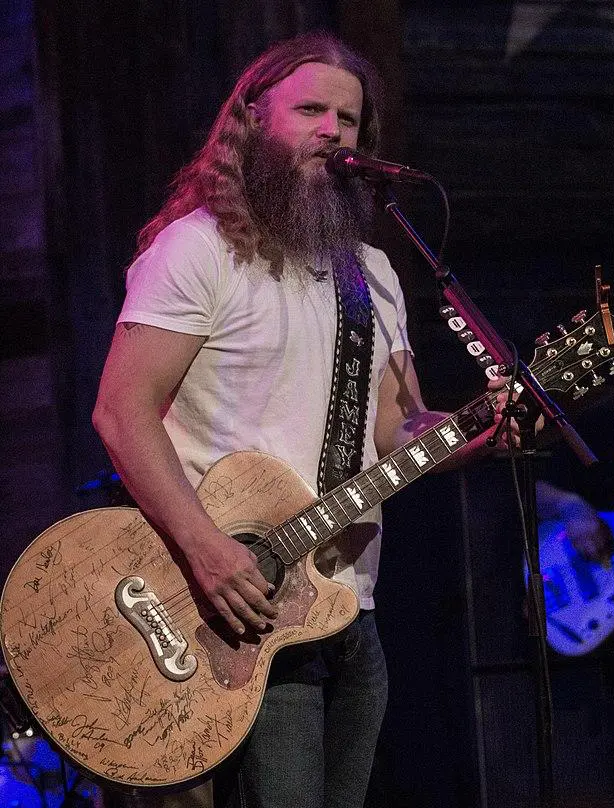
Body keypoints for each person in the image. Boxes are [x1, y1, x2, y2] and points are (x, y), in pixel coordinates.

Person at [93, 31, 520, 808]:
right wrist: (208, 549)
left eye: (349, 120)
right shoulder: (198, 251)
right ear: (253, 120)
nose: (333, 131)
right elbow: (121, 414)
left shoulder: (376, 275)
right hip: (231, 605)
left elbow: (399, 433)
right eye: (311, 110)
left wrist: (479, 432)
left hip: (347, 607)